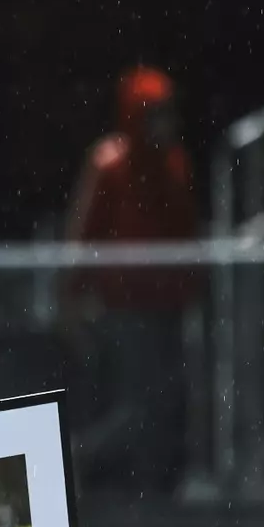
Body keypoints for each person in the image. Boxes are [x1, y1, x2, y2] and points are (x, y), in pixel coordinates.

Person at [62, 64, 203, 488]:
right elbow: (84, 232)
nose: (166, 123)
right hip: (122, 307)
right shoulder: (110, 162)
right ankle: (75, 459)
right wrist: (70, 296)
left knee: (165, 400)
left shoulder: (175, 164)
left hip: (167, 306)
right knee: (141, 403)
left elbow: (187, 231)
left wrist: (193, 288)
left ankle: (151, 489)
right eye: (155, 113)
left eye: (168, 112)